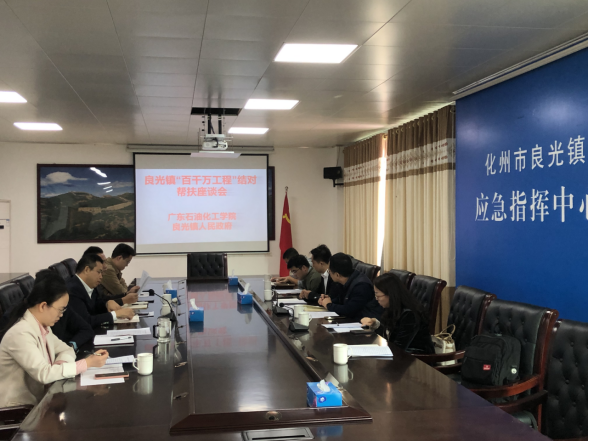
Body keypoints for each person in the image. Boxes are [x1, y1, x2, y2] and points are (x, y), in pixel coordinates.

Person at [0, 273, 108, 407]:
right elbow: (44, 374)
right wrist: (86, 363)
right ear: (43, 306)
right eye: (60, 310)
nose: (61, 315)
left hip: (40, 401)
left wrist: (58, 366)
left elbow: (67, 349)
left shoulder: (43, 327)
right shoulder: (20, 333)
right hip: (17, 409)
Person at [0, 270, 95, 353]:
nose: (61, 314)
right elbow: (42, 367)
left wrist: (69, 348)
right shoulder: (19, 327)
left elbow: (85, 329)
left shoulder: (57, 311)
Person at [361, 273, 434, 354]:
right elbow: (389, 335)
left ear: (390, 294)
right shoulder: (393, 308)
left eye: (378, 295)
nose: (376, 299)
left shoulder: (409, 315)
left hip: (417, 358)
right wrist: (376, 324)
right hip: (401, 355)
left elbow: (398, 348)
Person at [67, 254, 135, 328]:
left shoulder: (89, 285)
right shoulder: (72, 290)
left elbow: (96, 306)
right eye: (99, 272)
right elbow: (85, 321)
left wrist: (107, 303)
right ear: (87, 270)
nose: (101, 277)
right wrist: (116, 314)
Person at [317, 253, 383, 321]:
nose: (329, 274)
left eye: (329, 272)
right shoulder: (345, 280)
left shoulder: (361, 286)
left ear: (337, 275)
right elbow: (342, 300)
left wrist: (328, 305)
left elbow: (349, 311)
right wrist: (327, 300)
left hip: (362, 322)